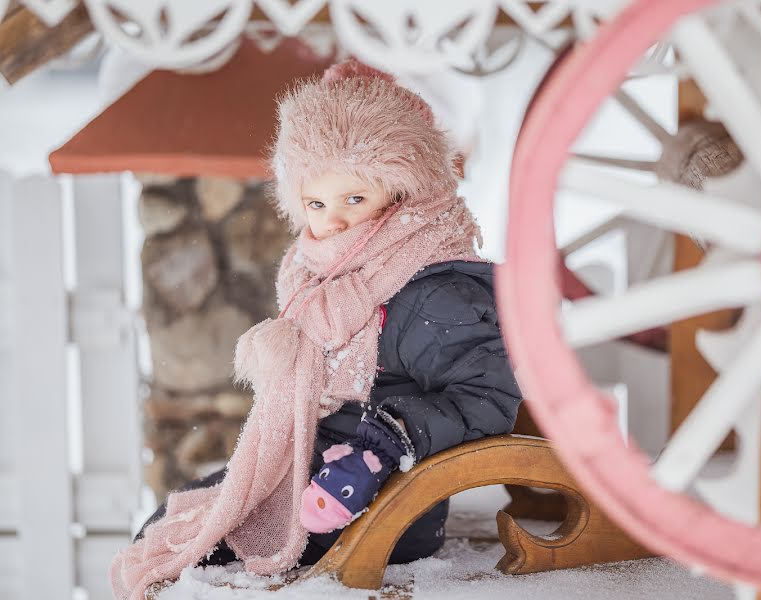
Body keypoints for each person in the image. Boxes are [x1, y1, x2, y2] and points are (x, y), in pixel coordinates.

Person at [111, 58, 522, 600]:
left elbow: (488, 397)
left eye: (355, 198)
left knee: (197, 555)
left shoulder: (429, 291)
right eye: (316, 203)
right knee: (174, 518)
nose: (333, 221)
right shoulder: (322, 281)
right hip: (314, 473)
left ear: (403, 190)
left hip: (383, 502)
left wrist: (387, 437)